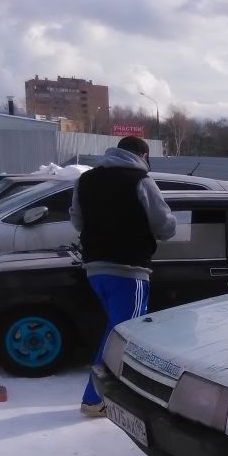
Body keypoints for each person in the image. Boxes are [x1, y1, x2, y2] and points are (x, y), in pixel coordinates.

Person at [70, 136, 176, 417]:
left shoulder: (87, 180)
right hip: (129, 272)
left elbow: (77, 221)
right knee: (122, 337)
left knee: (115, 332)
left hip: (95, 270)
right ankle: (94, 400)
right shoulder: (141, 181)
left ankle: (103, 397)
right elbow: (166, 228)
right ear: (143, 154)